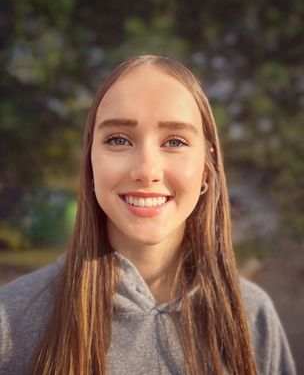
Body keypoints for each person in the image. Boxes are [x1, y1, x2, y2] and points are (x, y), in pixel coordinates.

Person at [0, 55, 296, 375]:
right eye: (118, 139)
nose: (146, 170)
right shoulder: (13, 318)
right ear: (90, 165)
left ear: (206, 171)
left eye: (175, 141)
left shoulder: (252, 316)